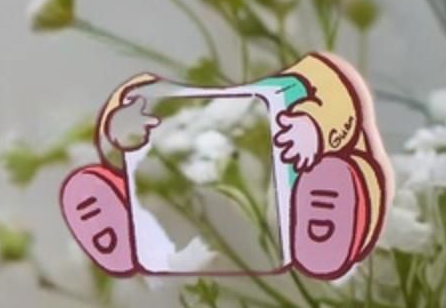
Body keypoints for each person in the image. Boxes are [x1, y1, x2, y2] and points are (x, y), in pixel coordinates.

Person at [60, 52, 389, 281]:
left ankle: (342, 222)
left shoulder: (300, 88)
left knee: (337, 179)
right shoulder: (218, 119)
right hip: (283, 178)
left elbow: (335, 94)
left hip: (339, 168)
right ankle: (124, 230)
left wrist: (314, 125)